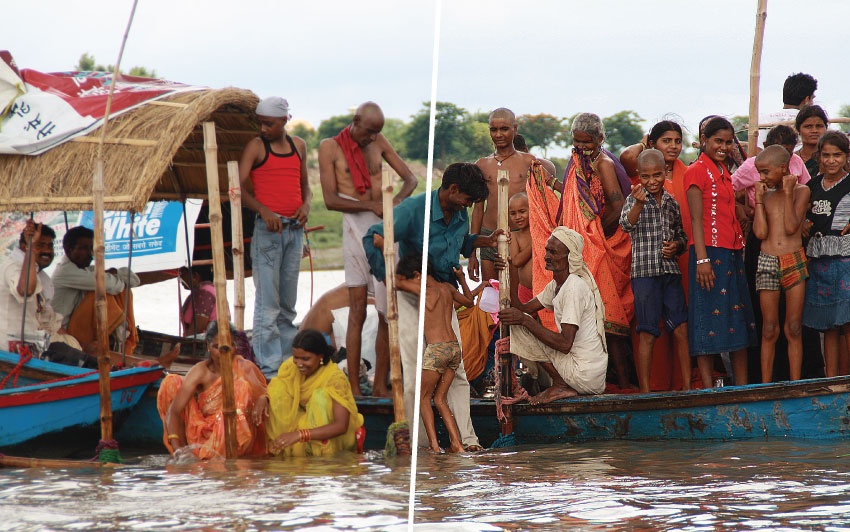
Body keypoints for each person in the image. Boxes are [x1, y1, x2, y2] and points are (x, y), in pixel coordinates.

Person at [363, 162, 497, 451]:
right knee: (413, 373)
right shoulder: (414, 210)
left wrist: (482, 241)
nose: (469, 207)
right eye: (468, 200)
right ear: (452, 190)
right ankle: (421, 447)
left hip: (444, 293)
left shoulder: (460, 213)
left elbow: (461, 244)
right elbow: (373, 235)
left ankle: (466, 441)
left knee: (457, 372)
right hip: (413, 297)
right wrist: (386, 278)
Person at [318, 101, 418, 397]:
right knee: (357, 309)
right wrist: (369, 206)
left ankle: (378, 385)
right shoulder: (329, 147)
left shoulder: (378, 140)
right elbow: (329, 200)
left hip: (385, 229)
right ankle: (352, 387)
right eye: (369, 131)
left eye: (377, 133)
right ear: (355, 120)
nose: (372, 138)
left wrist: (393, 204)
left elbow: (410, 179)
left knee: (388, 310)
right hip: (353, 228)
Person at [556, 112, 634, 389]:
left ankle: (624, 384)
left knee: (610, 318)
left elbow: (618, 207)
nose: (580, 147)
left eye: (586, 142)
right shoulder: (580, 161)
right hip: (590, 247)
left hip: (607, 248)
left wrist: (592, 236)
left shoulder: (603, 164)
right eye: (576, 142)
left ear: (600, 139)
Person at [238, 96, 311, 380]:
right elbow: (239, 188)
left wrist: (305, 206)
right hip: (268, 232)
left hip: (294, 230)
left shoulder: (299, 146)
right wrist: (263, 210)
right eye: (261, 123)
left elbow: (306, 186)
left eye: (269, 123)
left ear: (284, 121)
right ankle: (268, 371)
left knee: (287, 305)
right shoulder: (256, 147)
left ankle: (284, 365)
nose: (263, 128)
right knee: (267, 305)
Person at [497, 227, 608, 404]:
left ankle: (561, 384)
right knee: (519, 321)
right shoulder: (557, 284)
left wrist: (524, 319)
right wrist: (510, 270)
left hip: (584, 375)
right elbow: (523, 308)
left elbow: (564, 344)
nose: (547, 256)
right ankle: (558, 383)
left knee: (521, 324)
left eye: (554, 252)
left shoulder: (573, 287)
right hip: (582, 369)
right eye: (547, 250)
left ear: (569, 257)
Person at [686, 116, 757, 388]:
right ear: (704, 141)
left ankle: (742, 388)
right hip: (709, 254)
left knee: (738, 321)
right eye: (718, 141)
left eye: (728, 142)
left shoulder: (724, 172)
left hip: (731, 252)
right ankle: (707, 390)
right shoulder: (696, 171)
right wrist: (703, 259)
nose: (724, 147)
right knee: (706, 322)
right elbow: (696, 219)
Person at [619, 149, 690, 393]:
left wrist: (676, 246)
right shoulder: (634, 198)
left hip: (670, 272)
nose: (652, 182)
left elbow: (682, 235)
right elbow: (626, 224)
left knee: (681, 328)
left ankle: (688, 387)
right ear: (638, 176)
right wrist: (638, 203)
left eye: (657, 175)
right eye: (646, 177)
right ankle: (646, 391)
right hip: (644, 275)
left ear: (665, 173)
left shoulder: (671, 202)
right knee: (648, 331)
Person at [157, 320, 268, 459]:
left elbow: (267, 393)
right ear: (208, 346)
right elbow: (174, 411)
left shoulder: (245, 367)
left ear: (235, 347)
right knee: (171, 382)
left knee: (241, 387)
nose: (223, 353)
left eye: (228, 347)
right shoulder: (201, 371)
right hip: (202, 437)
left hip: (236, 437)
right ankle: (193, 453)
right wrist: (177, 447)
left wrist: (264, 398)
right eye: (217, 347)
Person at [395, 254, 466, 454]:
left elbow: (397, 283)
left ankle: (434, 446)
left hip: (437, 351)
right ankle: (457, 444)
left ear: (417, 275)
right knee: (440, 399)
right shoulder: (448, 288)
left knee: (423, 398)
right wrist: (461, 279)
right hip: (454, 349)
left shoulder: (423, 290)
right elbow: (469, 301)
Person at [752, 145, 811, 382]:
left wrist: (787, 193)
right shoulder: (764, 195)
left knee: (794, 327)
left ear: (783, 169)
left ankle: (795, 383)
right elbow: (760, 233)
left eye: (766, 172)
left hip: (794, 259)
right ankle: (767, 386)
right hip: (767, 260)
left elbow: (790, 227)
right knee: (769, 328)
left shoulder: (802, 191)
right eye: (760, 173)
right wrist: (757, 201)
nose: (762, 178)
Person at [255, 329, 364, 457]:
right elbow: (277, 389)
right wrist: (265, 398)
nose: (299, 364)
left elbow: (341, 426)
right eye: (296, 358)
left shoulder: (335, 378)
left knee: (320, 398)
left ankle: (319, 460)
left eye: (306, 359)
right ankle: (280, 450)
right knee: (278, 388)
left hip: (335, 439)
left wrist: (300, 435)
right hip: (300, 426)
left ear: (321, 357)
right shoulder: (291, 367)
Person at [471, 108, 540, 283]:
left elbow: (542, 202)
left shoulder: (528, 162)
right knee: (491, 294)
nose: (499, 134)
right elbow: (478, 210)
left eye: (504, 129)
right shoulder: (482, 164)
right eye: (494, 130)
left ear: (515, 129)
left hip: (519, 236)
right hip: (489, 236)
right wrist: (472, 254)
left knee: (519, 294)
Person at [803, 131, 850, 377]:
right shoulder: (812, 187)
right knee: (829, 325)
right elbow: (803, 218)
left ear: (846, 156)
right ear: (819, 156)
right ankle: (831, 380)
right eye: (827, 155)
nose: (832, 160)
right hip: (819, 262)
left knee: (847, 321)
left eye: (838, 155)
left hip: (845, 261)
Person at [52, 225, 140, 356]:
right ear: (69, 249)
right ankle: (118, 342)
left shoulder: (85, 270)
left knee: (122, 292)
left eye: (91, 249)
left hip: (78, 329)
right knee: (99, 292)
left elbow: (134, 280)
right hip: (61, 332)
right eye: (84, 249)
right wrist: (112, 276)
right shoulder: (65, 271)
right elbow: (112, 285)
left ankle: (118, 341)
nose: (90, 254)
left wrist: (114, 272)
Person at [756, 72, 818, 149]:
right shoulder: (815, 121)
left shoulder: (763, 119)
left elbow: (758, 149)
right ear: (807, 99)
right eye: (813, 98)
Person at [508, 192, 534, 304]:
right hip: (525, 290)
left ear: (531, 209)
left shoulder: (541, 231)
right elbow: (516, 261)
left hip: (544, 289)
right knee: (525, 319)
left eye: (522, 212)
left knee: (545, 321)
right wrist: (535, 243)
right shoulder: (514, 236)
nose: (518, 217)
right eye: (513, 213)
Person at [179, 266, 216, 337]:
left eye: (182, 273)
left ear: (195, 276)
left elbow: (197, 328)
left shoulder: (205, 292)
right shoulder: (209, 289)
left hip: (206, 345)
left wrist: (181, 344)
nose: (180, 278)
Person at [796, 104, 830, 178]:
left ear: (826, 128)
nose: (814, 131)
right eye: (808, 126)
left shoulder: (832, 158)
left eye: (819, 126)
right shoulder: (792, 159)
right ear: (798, 130)